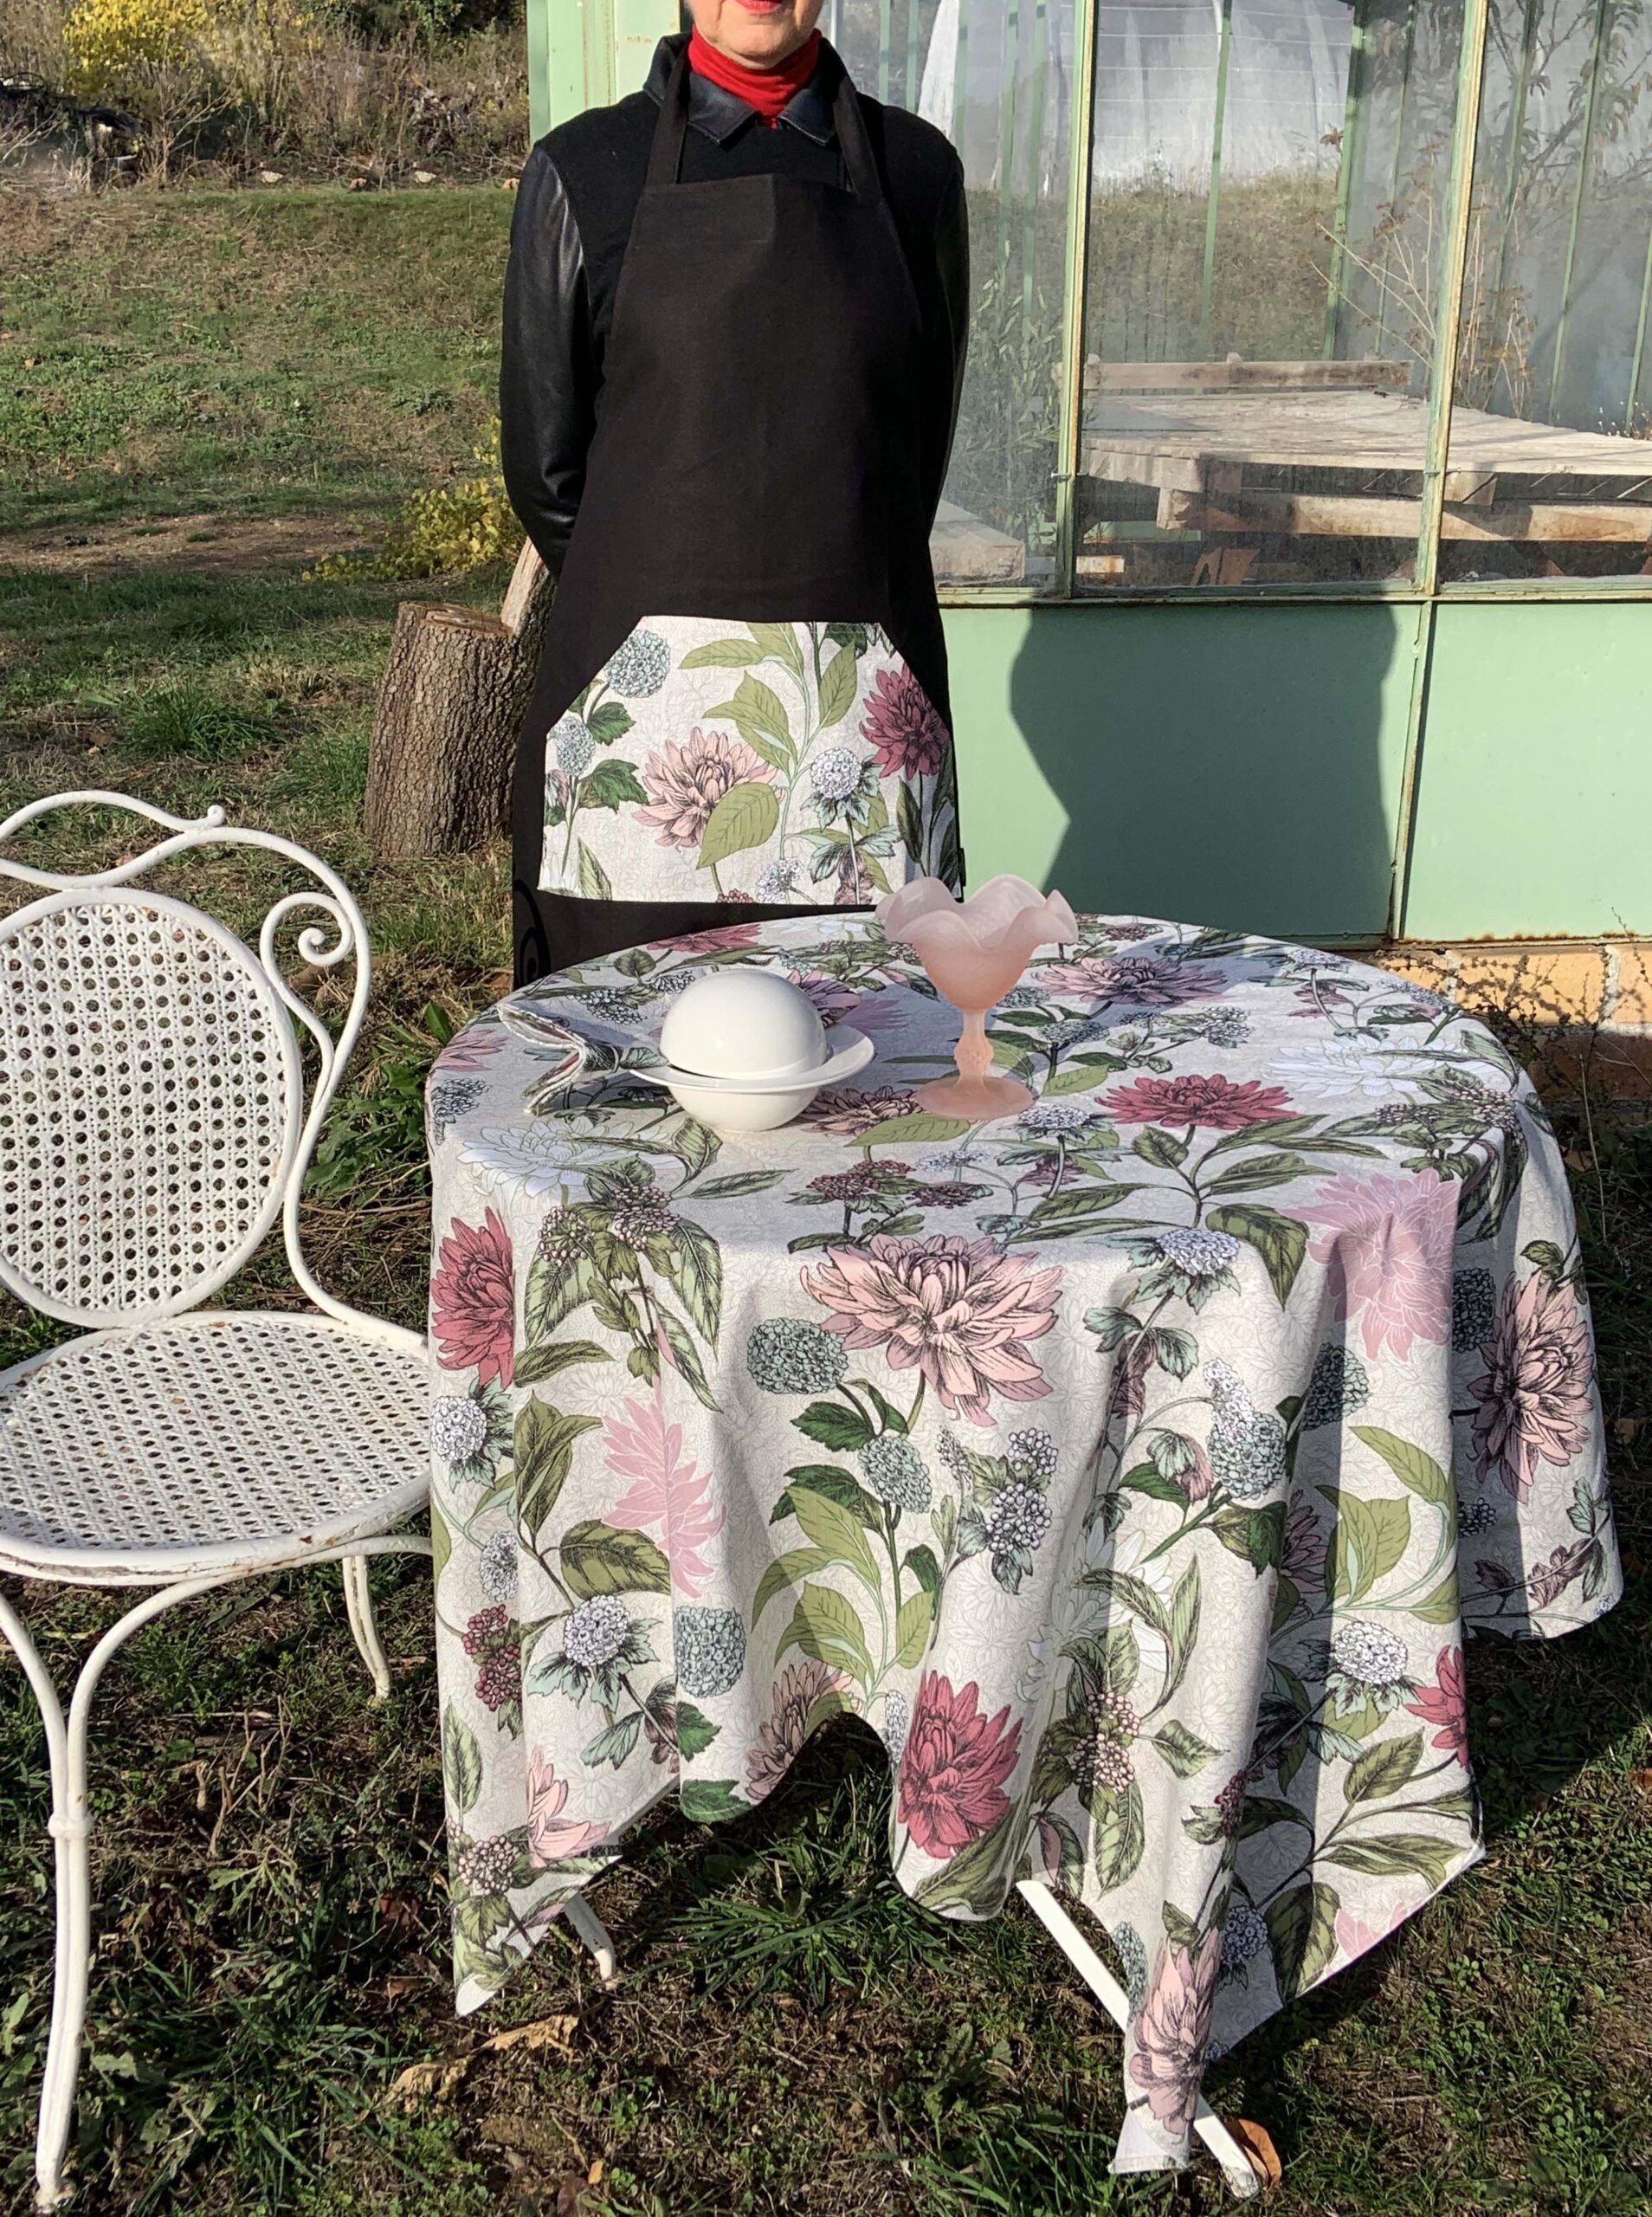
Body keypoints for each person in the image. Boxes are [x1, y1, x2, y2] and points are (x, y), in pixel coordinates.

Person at [500, 0, 969, 986]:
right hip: (639, 740)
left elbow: (913, 455)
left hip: (859, 737)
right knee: (625, 1039)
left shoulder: (918, 174)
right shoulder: (583, 172)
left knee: (869, 1039)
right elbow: (548, 476)